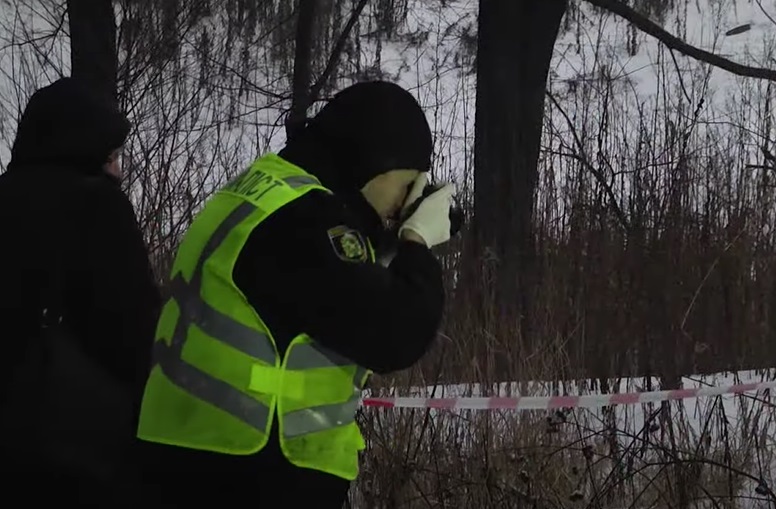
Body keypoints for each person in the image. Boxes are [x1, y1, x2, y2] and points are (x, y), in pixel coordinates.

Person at [138, 80, 453, 507]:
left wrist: (390, 243)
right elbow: (394, 333)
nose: (401, 204)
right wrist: (416, 242)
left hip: (195, 455)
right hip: (248, 470)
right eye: (406, 185)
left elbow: (324, 293)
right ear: (377, 164)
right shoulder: (306, 219)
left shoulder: (265, 196)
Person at [0, 77, 161, 503]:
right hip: (74, 451)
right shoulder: (98, 207)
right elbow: (134, 334)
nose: (118, 168)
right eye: (112, 155)